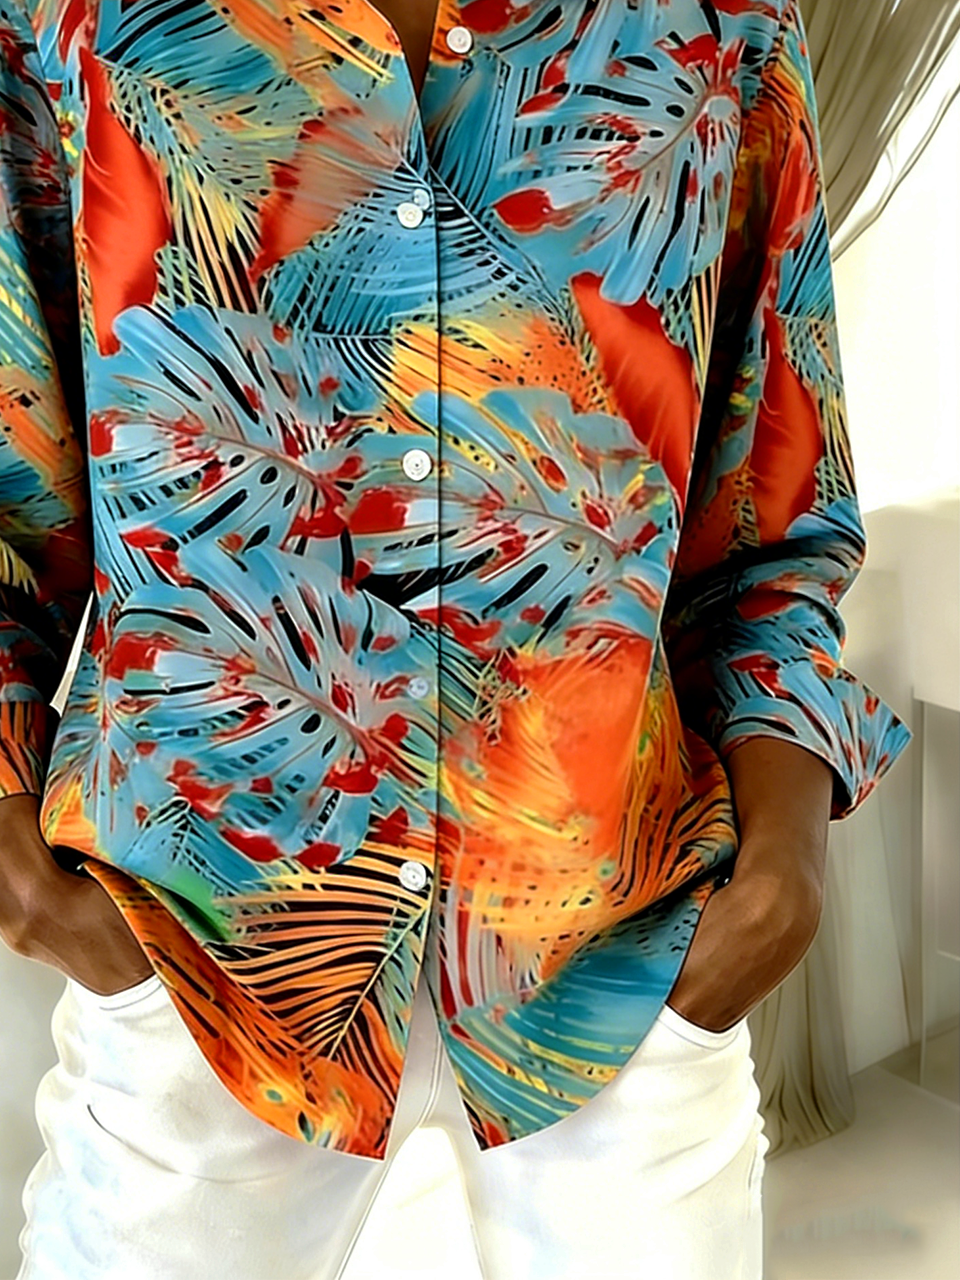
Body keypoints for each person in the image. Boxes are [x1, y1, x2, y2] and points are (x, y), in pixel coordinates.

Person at [0, 0, 912, 1275]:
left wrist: (785, 877)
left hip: (622, 963)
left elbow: (776, 519)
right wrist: (27, 876)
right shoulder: (78, 21)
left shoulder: (719, 25)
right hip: (197, 966)